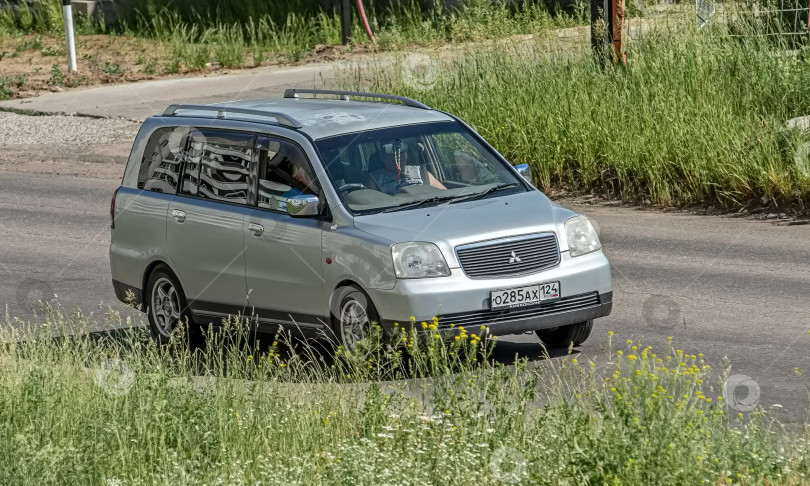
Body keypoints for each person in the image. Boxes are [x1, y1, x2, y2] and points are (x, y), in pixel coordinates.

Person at [365, 140, 446, 195]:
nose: (398, 154)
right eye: (390, 150)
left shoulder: (422, 173)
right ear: (382, 156)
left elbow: (446, 195)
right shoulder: (374, 180)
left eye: (402, 148)